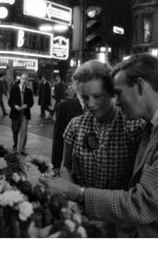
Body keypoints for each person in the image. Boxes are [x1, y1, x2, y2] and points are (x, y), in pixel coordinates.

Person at [41, 54, 158, 238]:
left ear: (140, 86)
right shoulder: (155, 123)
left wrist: (78, 194)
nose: (117, 101)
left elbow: (145, 203)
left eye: (118, 93)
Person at [59, 60, 145, 191]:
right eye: (85, 97)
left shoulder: (135, 126)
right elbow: (66, 167)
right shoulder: (75, 126)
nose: (90, 104)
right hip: (80, 207)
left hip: (119, 207)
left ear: (111, 92)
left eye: (97, 96)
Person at [51, 91, 84, 173]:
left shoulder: (100, 106)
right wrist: (56, 165)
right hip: (72, 165)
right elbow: (58, 137)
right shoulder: (64, 106)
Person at [8, 73, 34, 156]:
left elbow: (31, 102)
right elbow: (10, 101)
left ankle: (22, 149)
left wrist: (25, 106)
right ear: (20, 79)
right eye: (23, 79)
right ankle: (15, 146)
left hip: (24, 115)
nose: (24, 81)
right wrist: (15, 106)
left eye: (26, 79)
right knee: (15, 131)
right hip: (15, 114)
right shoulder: (14, 89)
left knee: (24, 133)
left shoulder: (29, 91)